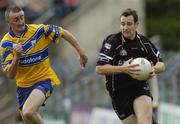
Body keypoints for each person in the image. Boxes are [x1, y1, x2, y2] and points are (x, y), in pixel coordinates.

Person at [0, 5, 88, 124]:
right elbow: (10, 75)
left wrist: (81, 52)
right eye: (16, 19)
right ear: (8, 22)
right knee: (28, 118)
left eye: (22, 17)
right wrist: (17, 57)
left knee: (28, 112)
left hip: (44, 80)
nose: (21, 22)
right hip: (23, 87)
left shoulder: (38, 30)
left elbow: (63, 32)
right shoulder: (6, 44)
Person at [96, 8, 165, 124]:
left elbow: (161, 64)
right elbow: (99, 68)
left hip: (139, 88)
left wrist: (153, 69)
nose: (125, 27)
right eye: (123, 24)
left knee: (145, 122)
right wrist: (124, 68)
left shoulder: (144, 43)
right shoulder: (113, 42)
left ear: (136, 24)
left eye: (129, 24)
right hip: (119, 93)